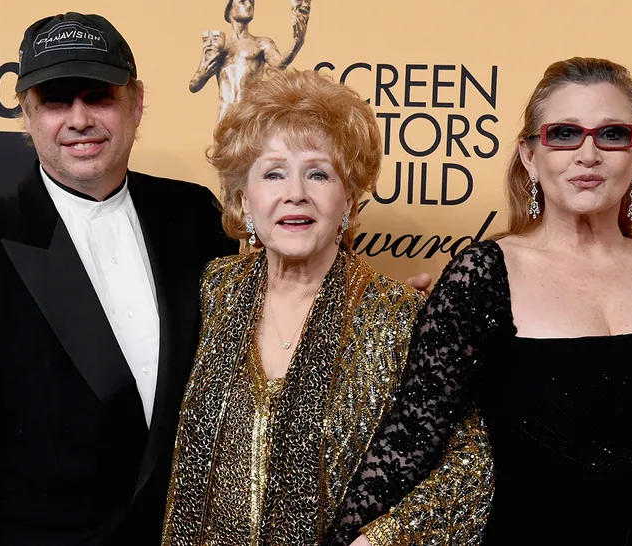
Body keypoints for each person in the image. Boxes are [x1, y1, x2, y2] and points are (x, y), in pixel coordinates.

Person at [323, 57, 632, 546]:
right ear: (530, 155)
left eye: (612, 134)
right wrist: (342, 538)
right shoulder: (481, 276)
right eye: (564, 134)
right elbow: (411, 440)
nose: (588, 154)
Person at [0, 12, 239, 546]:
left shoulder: (195, 216)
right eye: (55, 101)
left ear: (136, 104)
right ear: (27, 115)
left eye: (99, 97)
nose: (79, 119)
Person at [161, 69, 494, 546]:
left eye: (318, 173)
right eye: (274, 173)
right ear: (244, 200)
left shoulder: (400, 316)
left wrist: (378, 541)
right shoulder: (213, 290)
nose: (295, 192)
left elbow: (468, 469)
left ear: (349, 200)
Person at [190, 0, 311, 120]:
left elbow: (279, 65)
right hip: (225, 113)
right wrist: (202, 73)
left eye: (251, 3)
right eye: (242, 1)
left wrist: (297, 43)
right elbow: (194, 86)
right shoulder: (221, 46)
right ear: (229, 9)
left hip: (249, 113)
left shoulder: (261, 44)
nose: (248, 5)